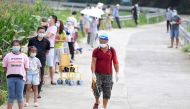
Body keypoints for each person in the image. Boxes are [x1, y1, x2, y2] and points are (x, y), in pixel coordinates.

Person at [91, 33, 119, 109]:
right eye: (100, 41)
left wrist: (117, 73)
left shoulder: (112, 50)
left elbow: (115, 61)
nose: (102, 43)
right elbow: (93, 62)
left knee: (107, 91)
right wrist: (93, 73)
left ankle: (104, 107)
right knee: (96, 88)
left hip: (108, 74)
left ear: (107, 41)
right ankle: (97, 102)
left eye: (103, 41)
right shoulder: (96, 51)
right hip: (97, 73)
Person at [3, 40, 29, 109]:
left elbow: (26, 68)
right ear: (12, 46)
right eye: (14, 45)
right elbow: (5, 67)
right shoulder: (7, 56)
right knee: (11, 96)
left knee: (19, 96)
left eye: (17, 45)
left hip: (20, 78)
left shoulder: (24, 56)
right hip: (10, 78)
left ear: (20, 46)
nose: (16, 46)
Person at [28, 26, 50, 98]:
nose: (41, 33)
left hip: (42, 60)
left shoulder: (47, 41)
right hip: (31, 60)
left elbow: (47, 51)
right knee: (30, 73)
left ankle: (38, 92)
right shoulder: (32, 40)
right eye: (40, 32)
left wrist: (43, 56)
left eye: (43, 32)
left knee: (40, 75)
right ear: (37, 32)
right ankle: (29, 88)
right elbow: (29, 49)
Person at [45, 15, 58, 85]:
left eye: (50, 18)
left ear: (53, 20)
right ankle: (43, 79)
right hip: (44, 47)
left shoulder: (54, 27)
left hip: (50, 48)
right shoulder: (48, 27)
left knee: (50, 65)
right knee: (43, 64)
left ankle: (52, 80)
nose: (49, 19)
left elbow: (48, 36)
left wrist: (40, 34)